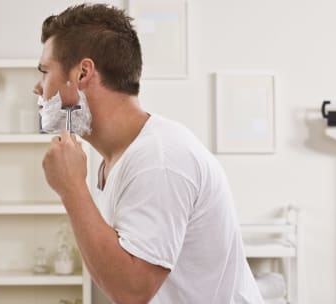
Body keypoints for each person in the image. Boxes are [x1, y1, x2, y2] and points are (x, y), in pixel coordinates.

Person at [35, 4, 264, 304]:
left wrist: (72, 190)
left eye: (44, 72)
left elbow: (132, 291)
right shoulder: (118, 157)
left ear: (82, 73)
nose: (38, 88)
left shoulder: (158, 160)